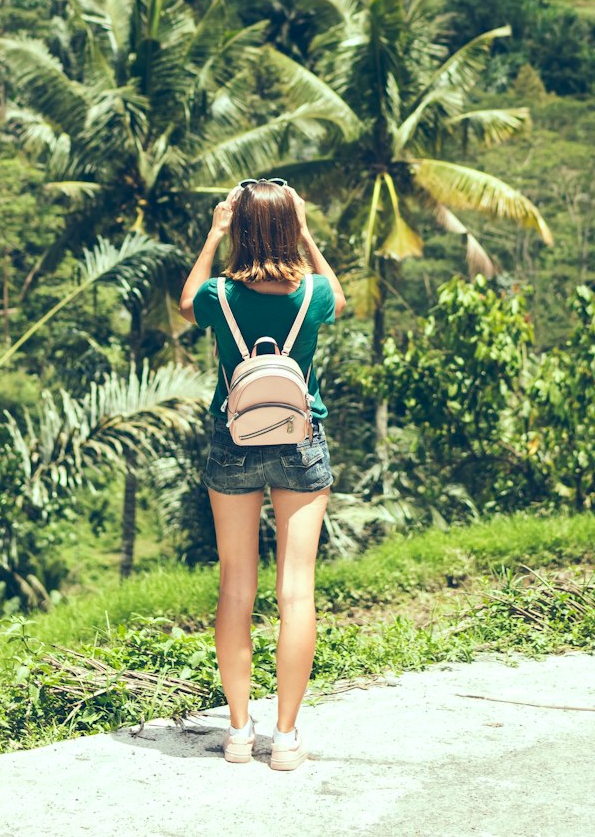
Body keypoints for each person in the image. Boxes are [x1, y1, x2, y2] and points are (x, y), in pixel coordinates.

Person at [178, 177, 346, 772]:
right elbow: (340, 297)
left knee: (236, 589)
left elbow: (186, 299)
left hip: (234, 439)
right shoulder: (312, 295)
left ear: (241, 227)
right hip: (301, 441)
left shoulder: (220, 295)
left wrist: (213, 234)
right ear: (287, 226)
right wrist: (305, 233)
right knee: (296, 590)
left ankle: (240, 733)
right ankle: (287, 737)